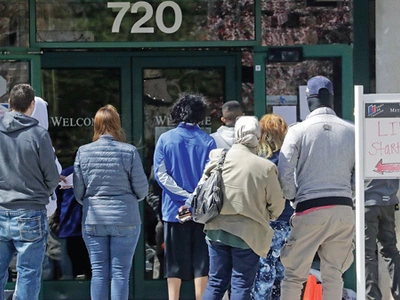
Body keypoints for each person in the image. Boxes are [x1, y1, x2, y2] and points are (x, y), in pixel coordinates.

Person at [278, 75, 355, 300]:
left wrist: (293, 197)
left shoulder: (298, 131)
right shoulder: (351, 130)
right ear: (331, 97)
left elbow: (284, 170)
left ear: (307, 98)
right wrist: (348, 194)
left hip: (309, 207)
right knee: (334, 274)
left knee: (294, 275)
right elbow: (359, 173)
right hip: (343, 208)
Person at [198, 116, 284, 300]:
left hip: (216, 229)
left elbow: (202, 189)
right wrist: (265, 215)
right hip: (248, 233)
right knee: (241, 284)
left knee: (215, 281)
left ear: (237, 133)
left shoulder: (218, 157)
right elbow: (277, 206)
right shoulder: (266, 167)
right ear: (258, 136)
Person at [73, 104, 148, 300]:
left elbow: (79, 192)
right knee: (120, 273)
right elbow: (142, 190)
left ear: (96, 126)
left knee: (98, 272)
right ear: (117, 124)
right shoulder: (129, 151)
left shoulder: (83, 151)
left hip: (94, 218)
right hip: (125, 218)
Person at [153, 93, 216, 300]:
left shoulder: (165, 139)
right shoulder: (208, 141)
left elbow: (161, 175)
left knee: (174, 263)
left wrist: (182, 198)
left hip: (173, 210)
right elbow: (210, 177)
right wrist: (192, 199)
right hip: (200, 210)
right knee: (201, 262)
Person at [0, 83, 60, 300]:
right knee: (28, 273)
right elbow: (52, 177)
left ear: (10, 104)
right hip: (30, 211)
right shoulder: (38, 134)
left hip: (1, 208)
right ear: (32, 105)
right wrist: (42, 190)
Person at [251, 113, 294, 300]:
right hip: (289, 222)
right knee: (283, 274)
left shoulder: (260, 162)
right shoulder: (290, 159)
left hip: (266, 224)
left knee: (263, 273)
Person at [365, 179, 400, 300]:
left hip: (366, 200)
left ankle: (372, 297)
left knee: (367, 254)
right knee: (391, 251)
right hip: (389, 201)